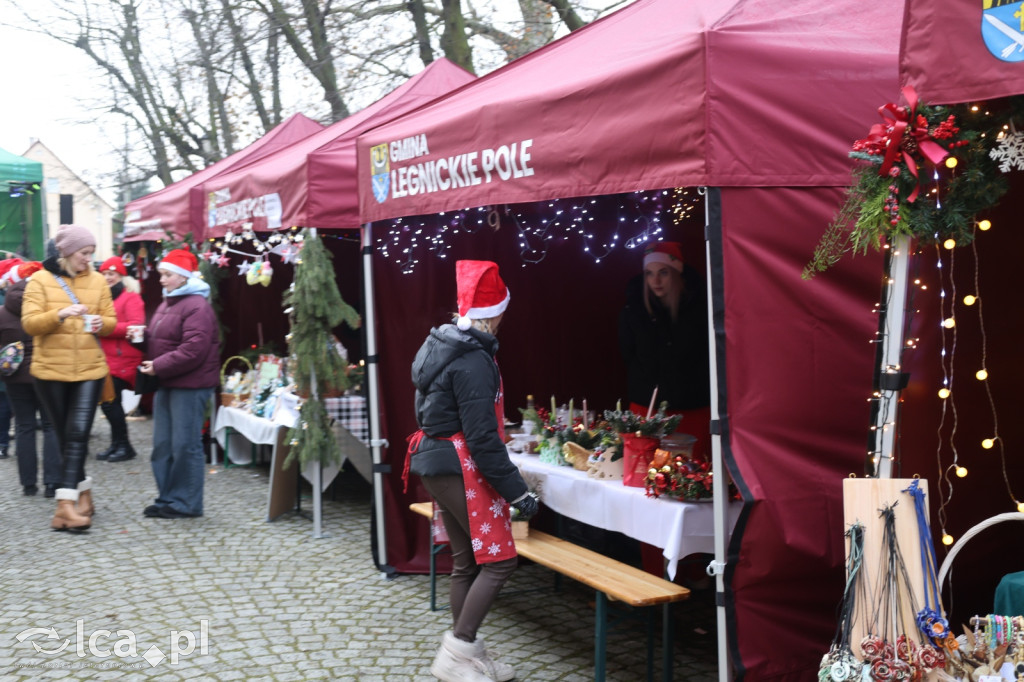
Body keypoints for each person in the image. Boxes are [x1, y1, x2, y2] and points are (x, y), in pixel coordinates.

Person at [406, 260, 538, 682]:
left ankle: (467, 655)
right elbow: (483, 440)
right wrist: (519, 493)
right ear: (496, 313)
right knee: (499, 561)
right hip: (456, 467)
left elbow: (427, 413)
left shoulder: (439, 346)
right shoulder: (475, 360)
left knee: (466, 562)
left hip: (434, 459)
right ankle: (457, 654)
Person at [22, 226, 116, 531]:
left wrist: (103, 323)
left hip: (90, 370)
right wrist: (61, 314)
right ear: (65, 252)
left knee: (77, 434)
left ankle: (64, 507)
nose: (89, 260)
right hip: (50, 371)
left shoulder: (99, 280)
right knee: (64, 435)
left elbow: (111, 321)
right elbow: (30, 324)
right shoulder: (39, 280)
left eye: (91, 253)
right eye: (83, 253)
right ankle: (84, 496)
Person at [136, 245, 219, 519]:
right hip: (168, 382)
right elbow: (165, 340)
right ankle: (168, 498)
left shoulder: (197, 306)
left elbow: (193, 350)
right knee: (163, 444)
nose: (161, 279)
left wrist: (157, 365)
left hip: (190, 385)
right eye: (161, 274)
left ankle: (186, 503)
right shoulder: (168, 302)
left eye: (167, 275)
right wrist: (141, 337)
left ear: (184, 277)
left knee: (185, 445)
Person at [618, 240, 711, 458]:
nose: (656, 281)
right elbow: (628, 354)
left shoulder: (700, 309)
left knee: (690, 475)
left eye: (663, 273)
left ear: (676, 273)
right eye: (649, 273)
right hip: (646, 408)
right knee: (645, 475)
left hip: (692, 408)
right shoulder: (633, 311)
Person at [0, 261, 61, 497]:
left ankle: (28, 484)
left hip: (15, 378)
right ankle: (52, 482)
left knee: (24, 427)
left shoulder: (3, 311)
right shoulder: (49, 307)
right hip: (47, 373)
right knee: (50, 426)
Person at [96, 256, 144, 463]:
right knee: (108, 403)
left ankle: (124, 446)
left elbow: (136, 326)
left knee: (110, 403)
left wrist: (105, 327)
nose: (107, 278)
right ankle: (118, 444)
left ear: (121, 276)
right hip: (108, 359)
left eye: (111, 274)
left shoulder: (131, 297)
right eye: (104, 274)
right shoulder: (105, 298)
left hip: (124, 359)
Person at [0, 258, 21, 460]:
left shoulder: (8, 298)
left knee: (5, 403)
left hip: (9, 358)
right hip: (11, 357)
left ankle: (3, 442)